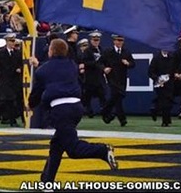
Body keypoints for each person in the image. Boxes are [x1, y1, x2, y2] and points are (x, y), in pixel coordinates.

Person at [29, 38, 118, 184]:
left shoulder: (43, 70)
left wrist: (30, 104)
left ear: (51, 51)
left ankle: (103, 150)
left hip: (61, 109)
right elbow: (58, 70)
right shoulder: (72, 65)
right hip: (76, 107)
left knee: (73, 150)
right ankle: (47, 181)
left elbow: (37, 93)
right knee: (57, 146)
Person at [101, 34, 136, 127]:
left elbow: (133, 63)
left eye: (121, 41)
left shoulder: (126, 52)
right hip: (112, 78)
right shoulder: (108, 52)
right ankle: (122, 119)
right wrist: (104, 68)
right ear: (114, 41)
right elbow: (99, 62)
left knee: (118, 98)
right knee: (118, 95)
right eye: (118, 40)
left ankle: (105, 112)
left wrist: (128, 63)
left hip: (122, 78)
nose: (120, 42)